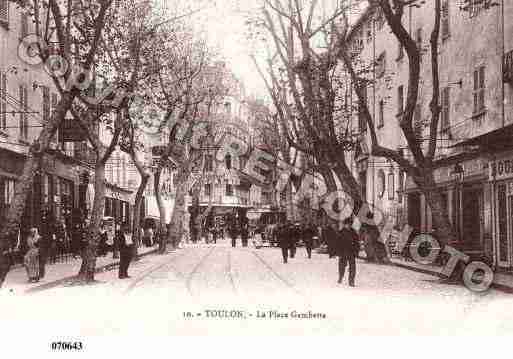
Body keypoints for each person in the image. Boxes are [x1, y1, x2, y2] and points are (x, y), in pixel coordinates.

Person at [336, 217, 360, 286]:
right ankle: (341, 276)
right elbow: (338, 243)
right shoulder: (341, 232)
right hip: (343, 252)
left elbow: (356, 243)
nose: (348, 225)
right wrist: (339, 252)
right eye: (347, 224)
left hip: (351, 252)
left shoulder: (354, 233)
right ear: (345, 224)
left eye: (350, 224)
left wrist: (356, 251)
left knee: (352, 267)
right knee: (342, 266)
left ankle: (351, 281)